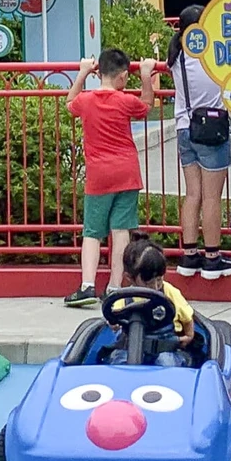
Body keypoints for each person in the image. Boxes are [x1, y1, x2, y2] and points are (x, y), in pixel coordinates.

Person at [63, 49, 159, 310]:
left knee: (92, 232)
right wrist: (147, 76)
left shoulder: (86, 100)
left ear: (99, 73)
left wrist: (82, 72)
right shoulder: (126, 101)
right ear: (124, 76)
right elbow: (147, 106)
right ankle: (115, 286)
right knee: (120, 231)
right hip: (127, 173)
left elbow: (69, 103)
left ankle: (87, 286)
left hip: (98, 175)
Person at [168, 6, 231, 280]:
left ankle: (189, 255)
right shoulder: (214, 56)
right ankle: (212, 257)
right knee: (211, 197)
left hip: (185, 129)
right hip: (212, 131)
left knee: (193, 194)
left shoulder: (177, 57)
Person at [114, 234, 196, 367]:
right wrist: (114, 324)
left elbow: (187, 318)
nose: (156, 286)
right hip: (131, 346)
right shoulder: (124, 297)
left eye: (159, 279)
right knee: (118, 362)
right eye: (149, 282)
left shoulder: (170, 292)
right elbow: (114, 318)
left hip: (165, 348)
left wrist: (188, 336)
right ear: (130, 278)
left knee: (166, 363)